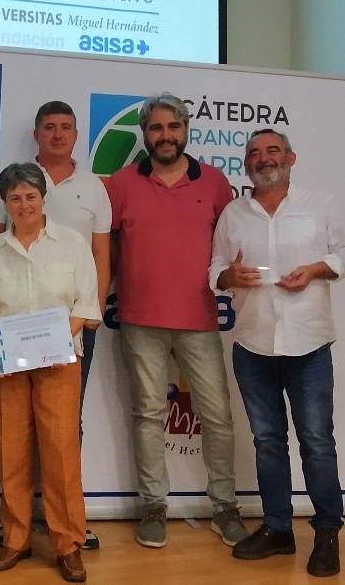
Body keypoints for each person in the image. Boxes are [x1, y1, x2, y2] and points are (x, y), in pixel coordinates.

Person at [208, 129, 345, 577]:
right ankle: (278, 528)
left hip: (308, 344)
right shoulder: (233, 213)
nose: (264, 159)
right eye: (254, 153)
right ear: (246, 164)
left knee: (316, 443)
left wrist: (318, 268)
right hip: (252, 343)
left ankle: (327, 533)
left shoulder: (321, 202)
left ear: (291, 158)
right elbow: (215, 269)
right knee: (268, 442)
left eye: (272, 150)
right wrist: (229, 276)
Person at [105, 92, 248, 550]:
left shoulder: (215, 182)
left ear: (186, 129)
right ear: (144, 134)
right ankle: (153, 506)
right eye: (156, 128)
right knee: (148, 415)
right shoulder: (121, 184)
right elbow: (106, 244)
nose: (165, 136)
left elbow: (229, 243)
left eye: (173, 127)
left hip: (199, 319)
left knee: (218, 416)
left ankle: (225, 506)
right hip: (139, 320)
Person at [0, 101, 110, 550]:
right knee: (12, 450)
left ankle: (68, 543)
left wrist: (59, 338)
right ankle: (15, 538)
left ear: (43, 199)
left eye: (31, 197)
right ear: (5, 203)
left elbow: (87, 300)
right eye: (15, 198)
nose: (24, 204)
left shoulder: (72, 244)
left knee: (60, 450)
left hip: (61, 358)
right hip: (8, 363)